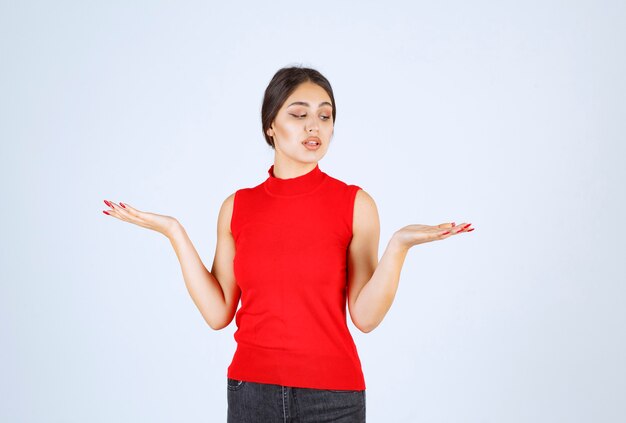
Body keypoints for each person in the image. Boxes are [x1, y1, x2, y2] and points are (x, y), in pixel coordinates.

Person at [102, 65, 474, 422]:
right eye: (299, 114)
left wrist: (398, 247)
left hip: (333, 398)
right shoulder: (237, 207)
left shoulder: (356, 204)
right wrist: (174, 232)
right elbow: (218, 313)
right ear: (270, 127)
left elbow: (365, 317)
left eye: (325, 116)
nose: (315, 126)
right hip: (251, 394)